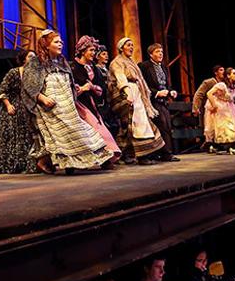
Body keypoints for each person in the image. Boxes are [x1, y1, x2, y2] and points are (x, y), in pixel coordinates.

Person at [21, 30, 113, 174]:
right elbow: (28, 86)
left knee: (78, 130)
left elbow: (69, 81)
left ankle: (68, 162)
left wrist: (74, 90)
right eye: (57, 42)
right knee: (60, 135)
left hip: (66, 103)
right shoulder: (36, 63)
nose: (61, 44)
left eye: (61, 41)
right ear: (46, 44)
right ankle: (60, 163)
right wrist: (42, 98)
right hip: (49, 105)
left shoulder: (62, 61)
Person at [107, 37, 166, 165]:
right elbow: (120, 77)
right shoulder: (117, 62)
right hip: (126, 93)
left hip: (136, 94)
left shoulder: (132, 62)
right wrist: (127, 92)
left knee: (134, 126)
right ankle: (140, 156)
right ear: (121, 48)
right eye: (128, 45)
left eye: (132, 45)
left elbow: (140, 80)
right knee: (135, 124)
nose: (131, 47)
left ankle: (129, 154)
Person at [71, 36, 121, 164]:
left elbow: (101, 88)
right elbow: (70, 87)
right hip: (79, 104)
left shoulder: (93, 67)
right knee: (91, 132)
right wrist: (82, 88)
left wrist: (92, 87)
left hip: (92, 103)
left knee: (99, 129)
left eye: (94, 50)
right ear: (83, 51)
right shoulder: (74, 67)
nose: (93, 53)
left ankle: (107, 157)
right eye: (91, 50)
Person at [0, 50, 39, 174]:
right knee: (11, 137)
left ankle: (26, 164)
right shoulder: (13, 73)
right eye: (30, 57)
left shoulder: (35, 75)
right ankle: (11, 164)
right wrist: (8, 105)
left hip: (27, 109)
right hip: (12, 108)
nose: (33, 59)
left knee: (27, 137)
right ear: (23, 59)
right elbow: (2, 91)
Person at [138, 43, 179, 162]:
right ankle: (163, 153)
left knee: (167, 126)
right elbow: (143, 84)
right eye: (157, 51)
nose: (160, 53)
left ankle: (165, 153)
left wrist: (171, 91)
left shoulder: (164, 67)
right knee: (161, 124)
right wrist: (156, 93)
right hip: (151, 101)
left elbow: (167, 84)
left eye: (161, 51)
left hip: (163, 101)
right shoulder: (144, 66)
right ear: (151, 54)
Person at [203, 67, 235, 155]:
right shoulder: (221, 85)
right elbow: (209, 93)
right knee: (221, 128)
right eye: (234, 73)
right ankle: (224, 146)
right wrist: (214, 106)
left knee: (233, 126)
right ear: (228, 76)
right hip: (218, 107)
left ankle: (228, 146)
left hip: (228, 107)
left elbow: (231, 99)